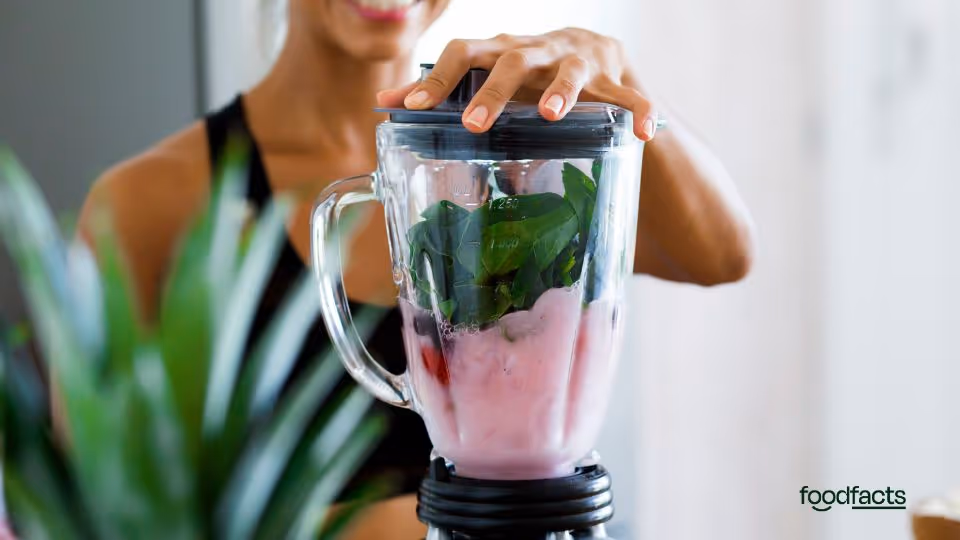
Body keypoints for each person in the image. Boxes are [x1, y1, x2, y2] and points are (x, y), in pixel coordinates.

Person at [78, 0, 756, 536]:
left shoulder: (518, 150)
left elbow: (724, 253)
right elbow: (102, 514)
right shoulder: (151, 202)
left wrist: (626, 86)